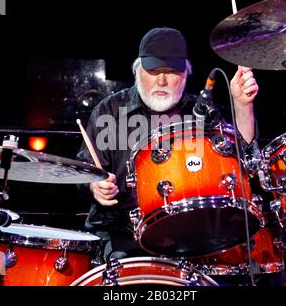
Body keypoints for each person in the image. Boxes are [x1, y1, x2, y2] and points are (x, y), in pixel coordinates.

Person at [77, 26, 259, 262]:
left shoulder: (200, 113)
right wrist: (95, 186)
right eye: (153, 71)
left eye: (171, 71)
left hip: (190, 235)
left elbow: (241, 160)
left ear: (185, 74)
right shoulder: (110, 111)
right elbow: (84, 170)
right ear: (138, 70)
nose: (162, 80)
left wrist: (243, 106)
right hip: (120, 234)